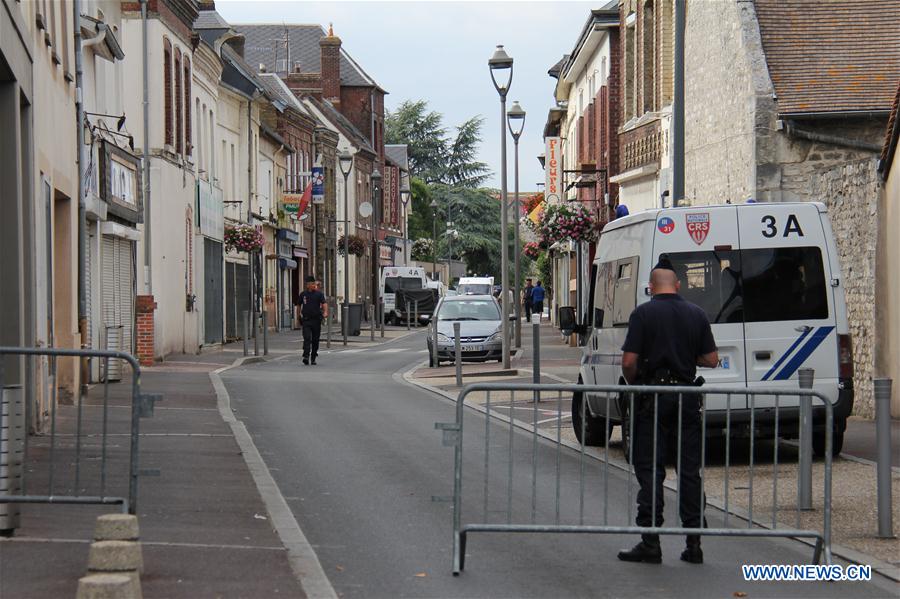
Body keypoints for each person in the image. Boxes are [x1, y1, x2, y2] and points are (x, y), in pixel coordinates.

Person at [618, 258, 718, 565]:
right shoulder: (696, 313)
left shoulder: (643, 314)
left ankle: (651, 541)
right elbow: (712, 359)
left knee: (651, 470)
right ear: (677, 286)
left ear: (651, 287)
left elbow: (628, 362)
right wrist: (686, 359)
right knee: (689, 470)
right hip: (686, 397)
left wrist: (637, 381)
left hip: (653, 398)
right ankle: (694, 543)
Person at [298, 276, 328, 365]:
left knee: (315, 339)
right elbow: (299, 305)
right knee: (307, 338)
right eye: (312, 284)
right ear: (308, 285)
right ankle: (306, 356)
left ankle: (313, 356)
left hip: (316, 320)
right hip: (306, 320)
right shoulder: (303, 294)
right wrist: (298, 315)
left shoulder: (319, 294)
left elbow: (324, 303)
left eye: (314, 284)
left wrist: (325, 312)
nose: (314, 285)